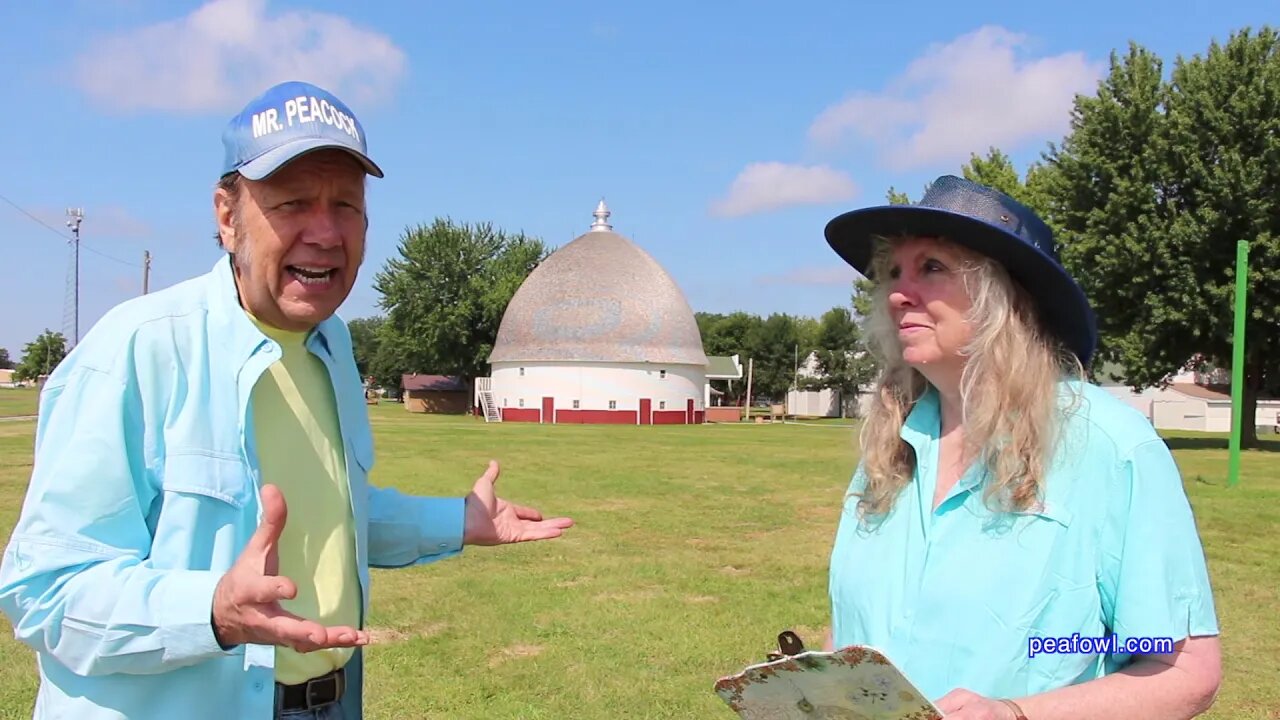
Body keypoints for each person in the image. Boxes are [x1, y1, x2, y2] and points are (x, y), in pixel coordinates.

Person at [0, 80, 573, 720]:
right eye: (293, 202)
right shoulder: (136, 352)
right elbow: (43, 591)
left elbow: (330, 518)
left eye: (346, 205)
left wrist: (458, 522)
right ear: (227, 216)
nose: (325, 232)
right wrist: (214, 610)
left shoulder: (330, 346)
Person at [819, 176, 1221, 719]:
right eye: (893, 271)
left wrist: (1015, 713)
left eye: (931, 267)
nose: (896, 292)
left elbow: (1183, 670)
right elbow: (857, 632)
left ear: (1003, 295)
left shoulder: (1108, 446)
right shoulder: (892, 448)